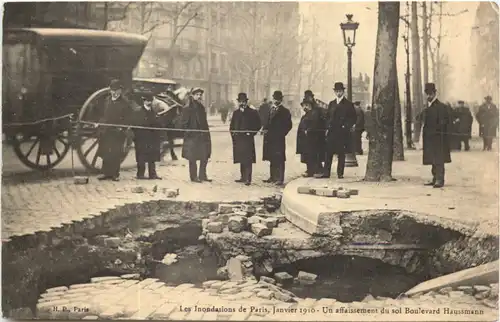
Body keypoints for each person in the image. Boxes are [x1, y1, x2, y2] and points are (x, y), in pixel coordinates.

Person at [97, 79, 138, 181]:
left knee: (115, 153)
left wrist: (122, 127)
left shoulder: (125, 103)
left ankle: (115, 174)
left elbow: (129, 118)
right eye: (112, 90)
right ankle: (106, 173)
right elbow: (103, 115)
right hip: (106, 130)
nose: (114, 92)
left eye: (116, 90)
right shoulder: (107, 100)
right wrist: (99, 123)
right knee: (106, 151)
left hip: (117, 131)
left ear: (120, 91)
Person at [319, 82, 357, 179]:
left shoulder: (348, 104)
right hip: (332, 132)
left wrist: (346, 126)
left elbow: (353, 118)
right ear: (335, 92)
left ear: (343, 91)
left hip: (342, 132)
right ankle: (326, 173)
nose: (338, 93)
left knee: (341, 153)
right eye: (337, 91)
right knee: (329, 153)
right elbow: (327, 116)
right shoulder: (332, 103)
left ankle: (340, 173)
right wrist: (327, 126)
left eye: (340, 91)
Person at [422, 83, 451, 188]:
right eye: (427, 94)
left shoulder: (441, 107)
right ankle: (435, 178)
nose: (428, 96)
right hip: (430, 137)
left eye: (430, 94)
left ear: (434, 93)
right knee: (433, 159)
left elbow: (444, 123)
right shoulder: (429, 107)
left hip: (438, 138)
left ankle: (440, 179)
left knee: (439, 159)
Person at [180, 88, 212, 183]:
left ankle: (202, 175)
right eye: (197, 94)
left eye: (200, 95)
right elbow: (183, 123)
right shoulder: (188, 108)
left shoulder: (201, 107)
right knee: (192, 157)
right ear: (192, 95)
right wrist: (189, 132)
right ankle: (193, 177)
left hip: (203, 135)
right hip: (192, 136)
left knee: (205, 155)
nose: (199, 96)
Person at [229, 93, 262, 185]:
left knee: (248, 159)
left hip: (247, 139)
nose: (242, 103)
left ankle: (248, 178)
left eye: (243, 101)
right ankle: (243, 177)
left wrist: (251, 133)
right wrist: (233, 134)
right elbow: (232, 126)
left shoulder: (252, 112)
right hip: (238, 140)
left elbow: (258, 124)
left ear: (246, 102)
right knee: (241, 158)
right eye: (240, 102)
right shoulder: (236, 113)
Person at [262, 90, 292, 186]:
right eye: (275, 99)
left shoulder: (285, 111)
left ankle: (280, 178)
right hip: (269, 138)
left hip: (278, 139)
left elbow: (289, 125)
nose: (276, 101)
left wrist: (281, 133)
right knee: (271, 157)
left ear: (281, 100)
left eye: (278, 99)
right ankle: (272, 176)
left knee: (279, 158)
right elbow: (266, 122)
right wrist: (264, 129)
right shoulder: (270, 109)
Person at [132, 92, 163, 180]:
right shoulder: (138, 111)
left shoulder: (153, 112)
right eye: (147, 101)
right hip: (141, 138)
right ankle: (140, 174)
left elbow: (157, 124)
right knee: (141, 157)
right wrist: (137, 137)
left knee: (152, 156)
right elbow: (134, 125)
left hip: (152, 138)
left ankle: (152, 174)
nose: (149, 103)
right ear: (143, 101)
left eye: (150, 101)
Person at [296, 98, 325, 177]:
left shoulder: (314, 114)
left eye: (307, 105)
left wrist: (308, 130)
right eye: (304, 105)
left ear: (311, 106)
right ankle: (310, 170)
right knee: (307, 156)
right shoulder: (305, 115)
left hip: (313, 139)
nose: (305, 107)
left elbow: (316, 125)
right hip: (306, 140)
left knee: (314, 155)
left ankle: (316, 170)